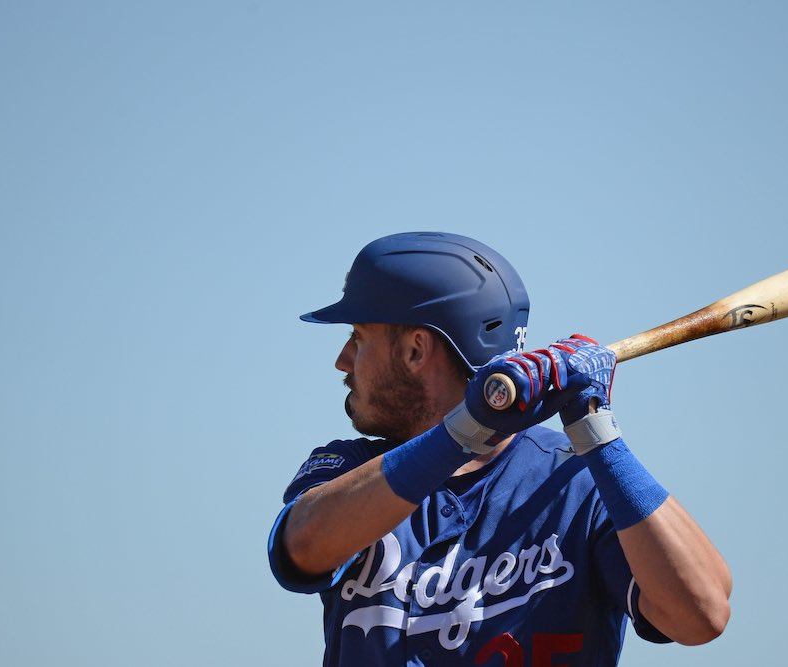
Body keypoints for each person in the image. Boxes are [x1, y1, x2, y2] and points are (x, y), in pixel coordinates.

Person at [267, 232, 731, 666]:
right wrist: (464, 431)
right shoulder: (349, 469)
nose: (342, 361)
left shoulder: (575, 479)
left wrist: (597, 431)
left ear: (415, 351)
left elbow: (703, 614)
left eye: (358, 338)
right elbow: (303, 547)